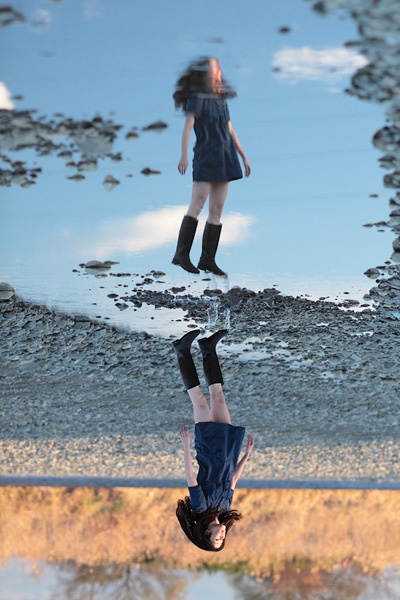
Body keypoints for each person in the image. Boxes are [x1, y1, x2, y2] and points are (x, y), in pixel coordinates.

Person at [173, 328, 254, 551]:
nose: (221, 537)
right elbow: (233, 479)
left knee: (198, 400)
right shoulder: (224, 508)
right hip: (229, 449)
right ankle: (208, 347)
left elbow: (190, 476)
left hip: (208, 448)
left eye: (215, 539)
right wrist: (246, 455)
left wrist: (186, 444)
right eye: (222, 541)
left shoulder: (200, 508)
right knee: (218, 395)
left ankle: (182, 350)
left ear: (206, 533)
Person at [172, 57, 251, 276]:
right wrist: (184, 155)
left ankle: (207, 259)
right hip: (206, 154)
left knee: (217, 209)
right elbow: (188, 127)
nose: (218, 70)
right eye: (215, 67)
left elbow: (230, 130)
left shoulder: (222, 100)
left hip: (226, 156)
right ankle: (181, 255)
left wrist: (243, 156)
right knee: (197, 204)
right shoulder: (197, 98)